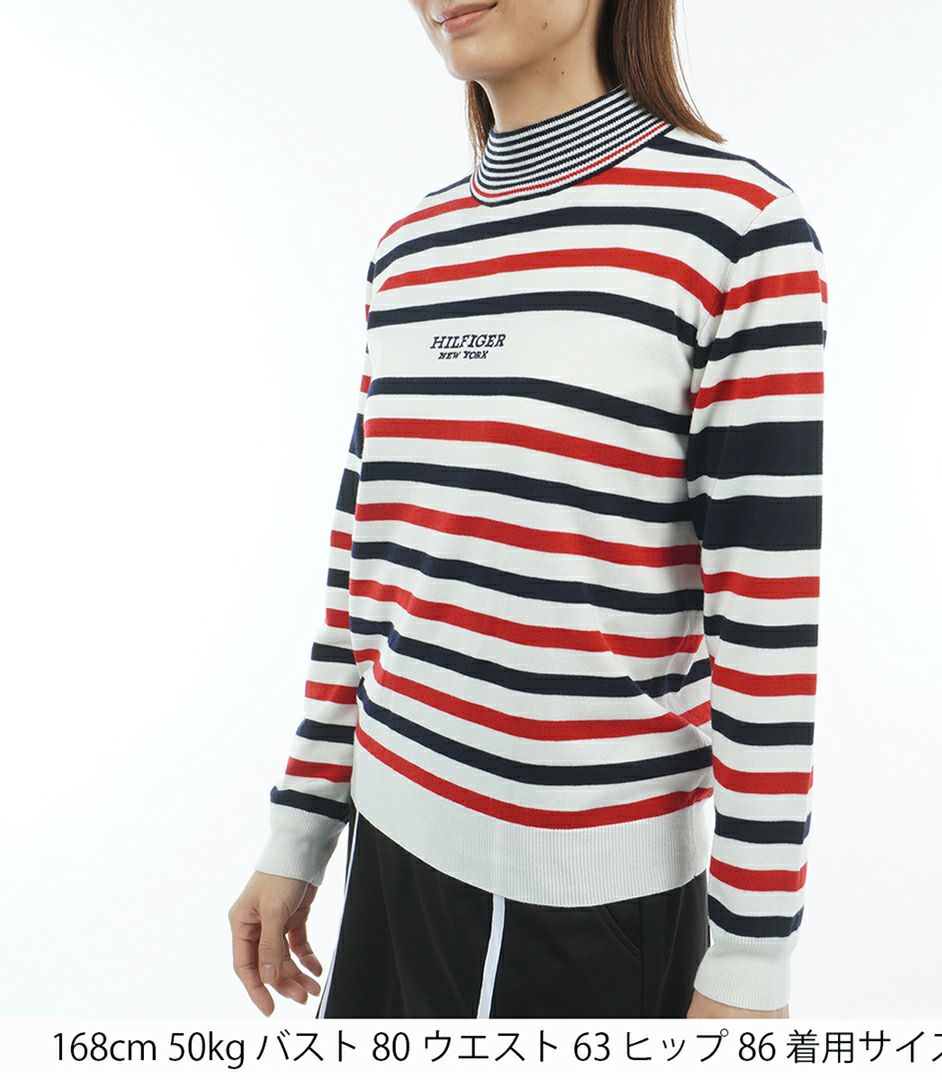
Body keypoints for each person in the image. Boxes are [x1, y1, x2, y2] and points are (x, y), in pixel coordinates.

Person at [228, 0, 827, 1022]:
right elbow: (363, 571)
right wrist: (301, 829)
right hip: (389, 842)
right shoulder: (411, 249)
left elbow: (766, 626)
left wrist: (751, 961)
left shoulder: (734, 228)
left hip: (579, 900)